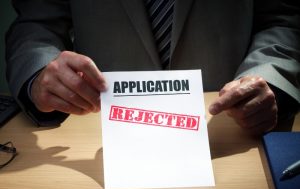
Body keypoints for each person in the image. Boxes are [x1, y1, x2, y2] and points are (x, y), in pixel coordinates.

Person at [5, 0, 300, 134]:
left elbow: (282, 19)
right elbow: (35, 24)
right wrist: (40, 73)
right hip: (98, 133)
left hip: (227, 134)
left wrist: (268, 79)